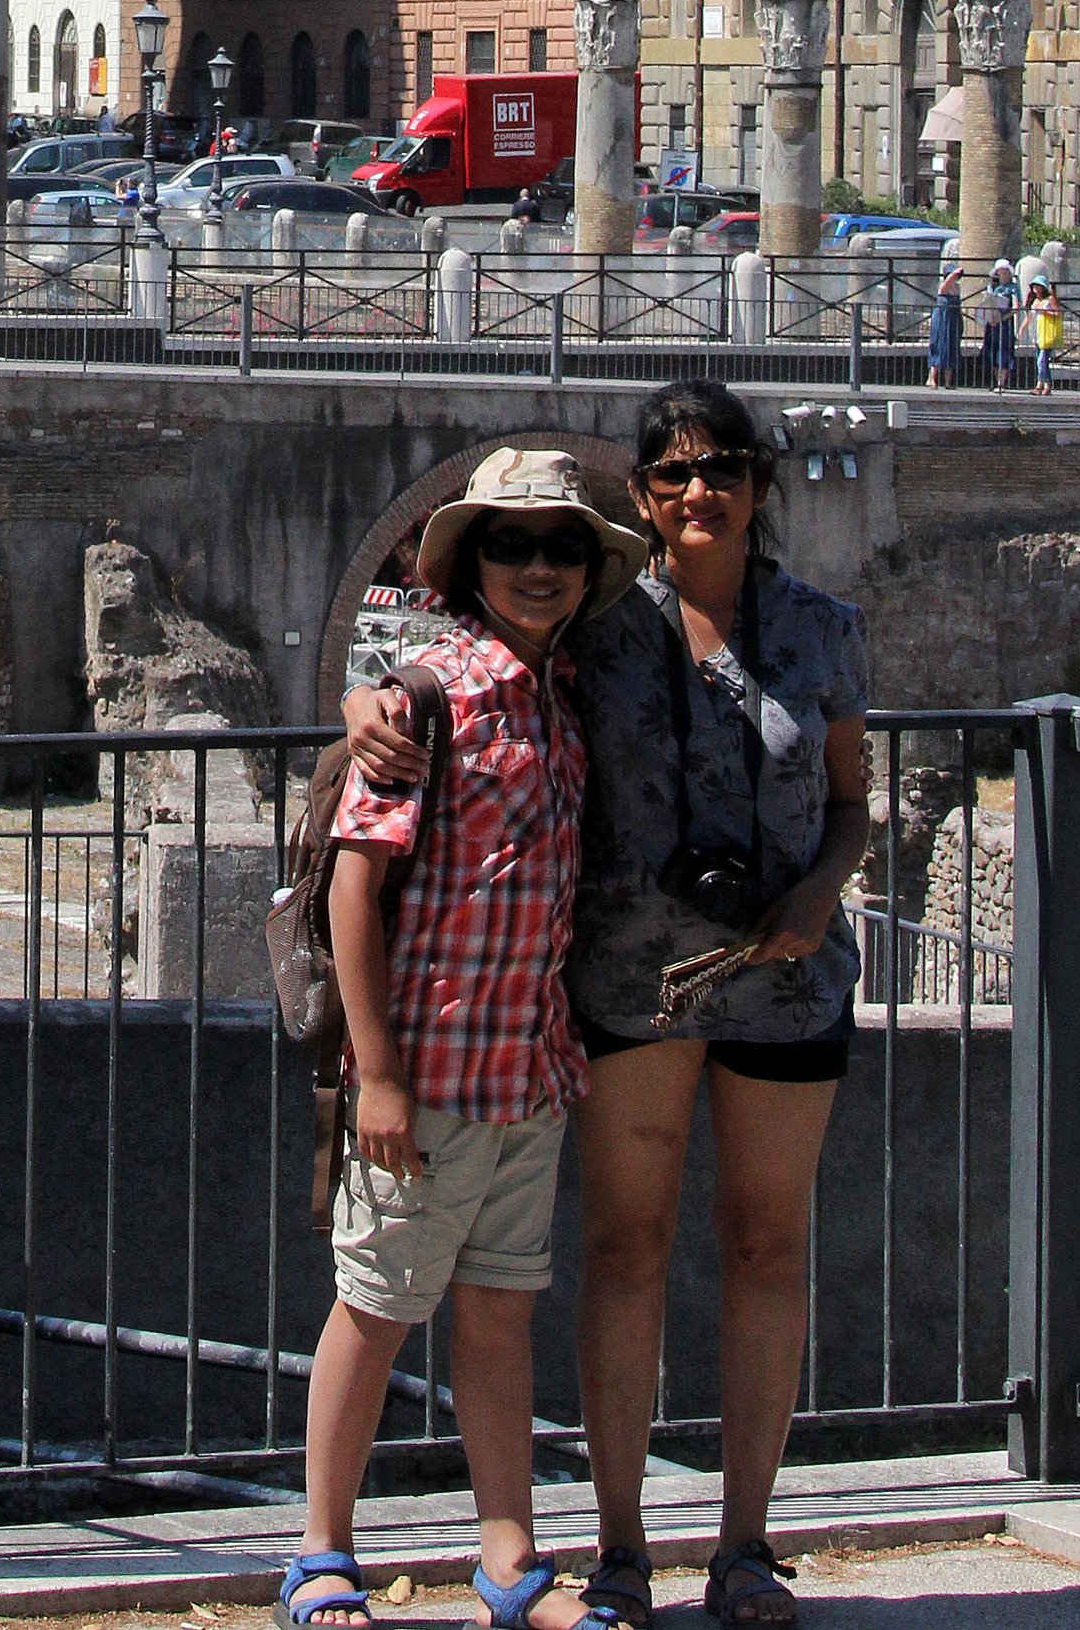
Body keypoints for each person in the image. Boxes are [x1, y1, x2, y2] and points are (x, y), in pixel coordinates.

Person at [348, 384, 870, 1630]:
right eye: (677, 470)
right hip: (631, 978)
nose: (704, 489)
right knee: (623, 1252)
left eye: (725, 467)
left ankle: (746, 1542)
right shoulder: (595, 620)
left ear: (757, 484)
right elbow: (432, 654)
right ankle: (621, 1545)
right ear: (643, 493)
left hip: (786, 984)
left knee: (766, 1250)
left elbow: (853, 799)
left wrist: (820, 888)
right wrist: (364, 707)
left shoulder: (820, 626)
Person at [280, 447, 646, 1630]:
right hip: (425, 1075)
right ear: (469, 562)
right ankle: (321, 1552)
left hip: (526, 1071)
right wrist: (375, 1072)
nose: (536, 566)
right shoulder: (427, 697)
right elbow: (352, 887)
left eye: (561, 547)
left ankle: (508, 1564)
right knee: (374, 1311)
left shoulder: (561, 694)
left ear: (588, 570)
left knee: (497, 1315)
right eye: (510, 544)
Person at [978, 258, 1018, 389]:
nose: (1003, 274)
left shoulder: (1012, 288)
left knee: (1004, 351)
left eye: (1005, 272)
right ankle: (997, 380)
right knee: (993, 351)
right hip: (992, 323)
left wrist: (1002, 318)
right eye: (1000, 272)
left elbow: (1016, 308)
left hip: (1005, 323)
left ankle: (1002, 382)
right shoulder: (994, 288)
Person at [924, 262, 963, 387]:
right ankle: (931, 378)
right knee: (939, 345)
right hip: (942, 318)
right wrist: (955, 272)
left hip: (953, 318)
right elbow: (947, 282)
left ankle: (948, 381)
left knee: (952, 347)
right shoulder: (943, 285)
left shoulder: (957, 287)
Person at [1030, 276, 1064, 394]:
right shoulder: (1035, 301)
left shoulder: (1050, 299)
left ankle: (1041, 386)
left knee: (1041, 361)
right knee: (1041, 361)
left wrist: (1044, 311)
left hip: (1047, 332)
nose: (1036, 289)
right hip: (1038, 331)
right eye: (1034, 286)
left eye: (1038, 286)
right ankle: (1045, 386)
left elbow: (1057, 313)